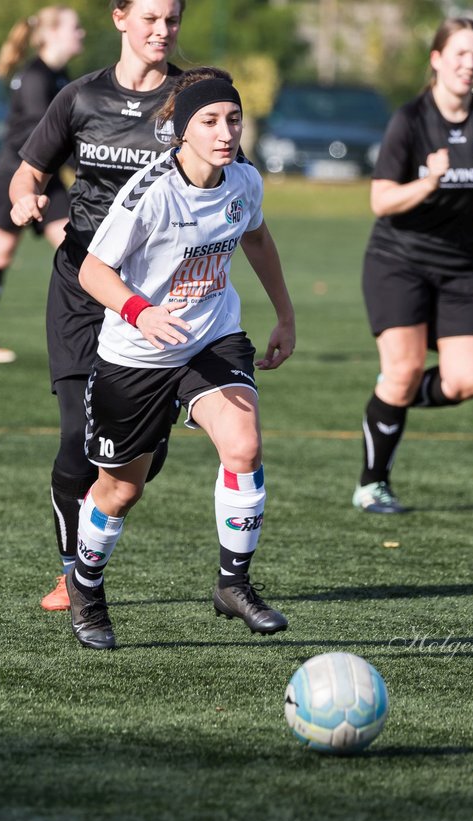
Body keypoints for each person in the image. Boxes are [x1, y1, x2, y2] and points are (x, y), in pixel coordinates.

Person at [67, 67, 296, 649]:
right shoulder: (150, 193)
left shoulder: (243, 182)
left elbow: (258, 239)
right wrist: (141, 312)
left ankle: (232, 584)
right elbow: (93, 270)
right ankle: (86, 588)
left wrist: (285, 315)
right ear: (180, 130)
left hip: (211, 337)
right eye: (210, 121)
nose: (225, 132)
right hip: (137, 353)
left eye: (234, 120)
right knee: (121, 491)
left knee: (243, 444)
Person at [9, 0, 186, 612]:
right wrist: (24, 200)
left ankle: (93, 526)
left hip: (158, 293)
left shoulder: (191, 101)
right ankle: (73, 572)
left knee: (142, 456)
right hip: (82, 286)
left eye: (171, 20)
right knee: (73, 436)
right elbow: (27, 171)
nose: (161, 30)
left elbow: (232, 183)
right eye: (150, 18)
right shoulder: (80, 97)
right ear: (119, 19)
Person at [353, 17, 473, 514]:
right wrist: (428, 182)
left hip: (461, 266)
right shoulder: (411, 120)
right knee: (403, 368)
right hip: (398, 260)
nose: (471, 64)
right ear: (437, 59)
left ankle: (389, 398)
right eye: (460, 54)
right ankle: (372, 484)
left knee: (469, 379)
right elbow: (380, 200)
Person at [0, 6, 86, 364]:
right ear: (51, 34)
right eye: (75, 27)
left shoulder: (60, 75)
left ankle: (93, 340)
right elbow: (42, 136)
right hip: (15, 178)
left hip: (50, 181)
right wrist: (84, 165)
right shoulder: (35, 77)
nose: (83, 34)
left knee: (79, 251)